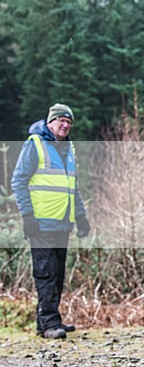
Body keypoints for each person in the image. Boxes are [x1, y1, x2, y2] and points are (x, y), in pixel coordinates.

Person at [11, 103, 90, 340]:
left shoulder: (69, 149)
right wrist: (27, 217)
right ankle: (50, 323)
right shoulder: (35, 145)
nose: (65, 125)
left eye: (69, 122)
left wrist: (80, 216)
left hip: (62, 224)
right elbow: (18, 181)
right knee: (45, 273)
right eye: (61, 121)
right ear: (50, 122)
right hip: (40, 224)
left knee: (57, 275)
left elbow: (71, 187)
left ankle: (44, 321)